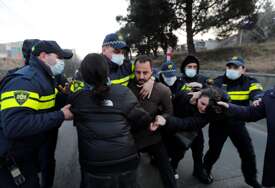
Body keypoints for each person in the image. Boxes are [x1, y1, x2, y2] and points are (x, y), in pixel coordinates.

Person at [68, 53, 159, 188]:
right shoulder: (123, 92)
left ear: (84, 75)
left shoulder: (77, 98)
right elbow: (143, 119)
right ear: (107, 71)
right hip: (126, 161)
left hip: (94, 165)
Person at [0, 40, 73, 188]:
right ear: (44, 56)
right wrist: (60, 115)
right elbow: (15, 126)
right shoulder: (25, 81)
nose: (61, 62)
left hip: (28, 155)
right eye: (59, 57)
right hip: (12, 161)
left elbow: (47, 104)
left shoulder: (46, 78)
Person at [203, 56, 263, 188]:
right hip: (219, 124)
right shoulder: (217, 81)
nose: (231, 70)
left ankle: (251, 179)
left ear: (243, 69)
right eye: (229, 67)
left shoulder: (250, 82)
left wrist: (258, 98)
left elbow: (257, 92)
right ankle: (205, 170)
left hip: (237, 124)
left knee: (247, 152)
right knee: (214, 151)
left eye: (236, 67)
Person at [128, 55, 177, 188]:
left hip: (153, 136)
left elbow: (169, 112)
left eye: (146, 72)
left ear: (152, 71)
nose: (142, 76)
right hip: (131, 138)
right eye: (138, 72)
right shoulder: (126, 87)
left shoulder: (163, 90)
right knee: (128, 174)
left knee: (166, 169)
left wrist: (163, 118)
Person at [217, 88, 275, 188]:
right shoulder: (270, 96)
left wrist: (257, 96)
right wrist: (229, 107)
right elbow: (250, 113)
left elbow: (255, 91)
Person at [70, 33, 154, 99]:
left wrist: (151, 80)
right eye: (117, 51)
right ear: (104, 50)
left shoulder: (127, 66)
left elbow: (147, 71)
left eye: (123, 52)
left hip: (122, 111)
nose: (121, 55)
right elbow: (77, 96)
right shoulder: (90, 67)